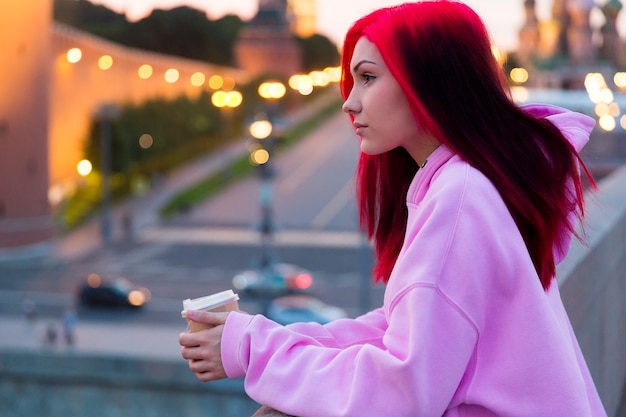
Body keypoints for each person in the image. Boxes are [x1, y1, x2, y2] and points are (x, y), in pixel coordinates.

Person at [179, 1, 608, 416]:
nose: (349, 102)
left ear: (429, 82)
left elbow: (402, 390)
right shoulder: (469, 181)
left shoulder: (460, 196)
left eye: (368, 78)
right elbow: (398, 329)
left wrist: (253, 349)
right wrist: (262, 340)